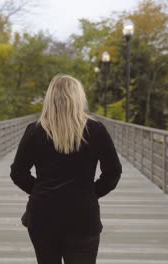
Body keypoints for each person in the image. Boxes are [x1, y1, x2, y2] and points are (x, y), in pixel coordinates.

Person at [10, 73, 122, 264]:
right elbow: (113, 172)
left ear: (50, 98)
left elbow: (18, 173)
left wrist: (39, 189)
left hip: (43, 214)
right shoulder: (95, 130)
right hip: (82, 215)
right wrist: (92, 192)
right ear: (78, 98)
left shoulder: (35, 131)